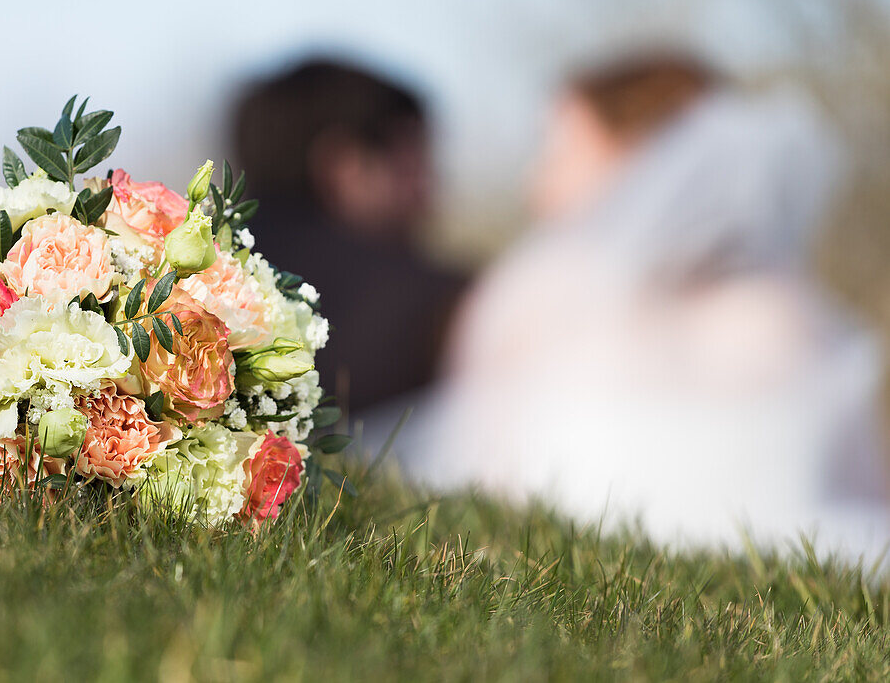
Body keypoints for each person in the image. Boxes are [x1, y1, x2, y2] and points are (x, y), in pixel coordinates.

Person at [389, 54, 890, 561]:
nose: (533, 184)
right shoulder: (794, 320)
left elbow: (476, 464)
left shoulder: (535, 300)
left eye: (558, 152)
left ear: (637, 155)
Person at [231, 58, 468, 411]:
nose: (429, 192)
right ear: (347, 165)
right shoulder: (421, 302)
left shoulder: (192, 289)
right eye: (415, 162)